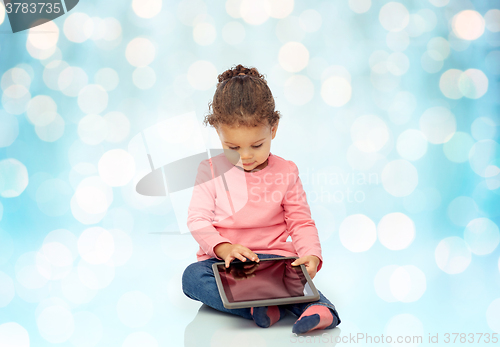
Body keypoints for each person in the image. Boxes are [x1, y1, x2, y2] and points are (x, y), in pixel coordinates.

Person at [181, 64, 341, 335]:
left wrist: (311, 255)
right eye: (233, 147)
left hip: (274, 261)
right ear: (219, 133)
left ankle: (320, 310)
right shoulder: (209, 171)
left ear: (273, 129)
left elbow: (300, 221)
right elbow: (198, 220)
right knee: (192, 278)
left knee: (295, 279)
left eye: (257, 145)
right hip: (226, 264)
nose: (246, 156)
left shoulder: (286, 171)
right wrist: (224, 248)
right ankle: (258, 307)